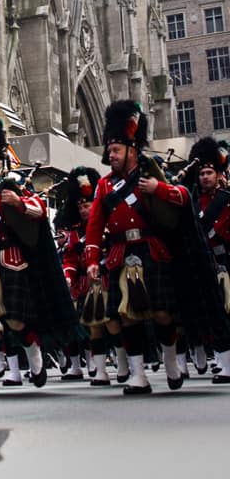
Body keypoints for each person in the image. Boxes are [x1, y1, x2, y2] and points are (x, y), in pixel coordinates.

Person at [86, 99, 230, 395]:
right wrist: (91, 259)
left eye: (116, 150)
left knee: (163, 313)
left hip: (151, 250)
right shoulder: (104, 186)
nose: (110, 155)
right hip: (120, 254)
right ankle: (138, 375)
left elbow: (182, 197)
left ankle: (171, 360)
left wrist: (157, 188)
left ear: (131, 149)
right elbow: (95, 225)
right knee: (127, 317)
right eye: (110, 150)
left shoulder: (149, 172)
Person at [0, 113, 80, 394]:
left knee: (15, 320)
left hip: (9, 260)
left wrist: (20, 203)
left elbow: (39, 210)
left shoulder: (12, 186)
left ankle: (34, 356)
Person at [57, 166, 129, 386]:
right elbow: (70, 258)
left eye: (87, 205)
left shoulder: (108, 225)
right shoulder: (74, 232)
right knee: (94, 327)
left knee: (113, 324)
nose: (83, 209)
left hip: (107, 279)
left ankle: (123, 365)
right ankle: (100, 371)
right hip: (86, 285)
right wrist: (68, 276)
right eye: (80, 206)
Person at [183, 136, 230, 382]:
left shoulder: (226, 198)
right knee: (215, 313)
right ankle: (223, 362)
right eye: (201, 173)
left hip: (227, 260)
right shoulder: (192, 202)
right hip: (207, 263)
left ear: (218, 174)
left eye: (209, 172)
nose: (205, 177)